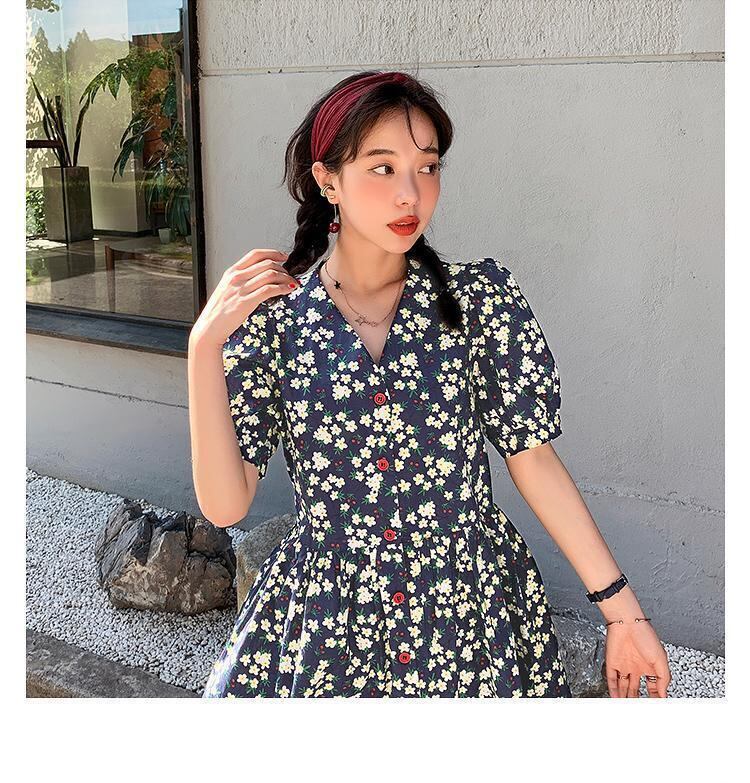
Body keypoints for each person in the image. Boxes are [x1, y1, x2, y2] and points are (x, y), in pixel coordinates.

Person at [188, 70, 671, 698]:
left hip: (471, 616)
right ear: (327, 180)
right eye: (382, 168)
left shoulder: (478, 301)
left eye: (428, 167)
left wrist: (623, 614)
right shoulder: (275, 323)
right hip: (328, 623)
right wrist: (202, 348)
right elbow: (227, 506)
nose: (410, 194)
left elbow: (532, 458)